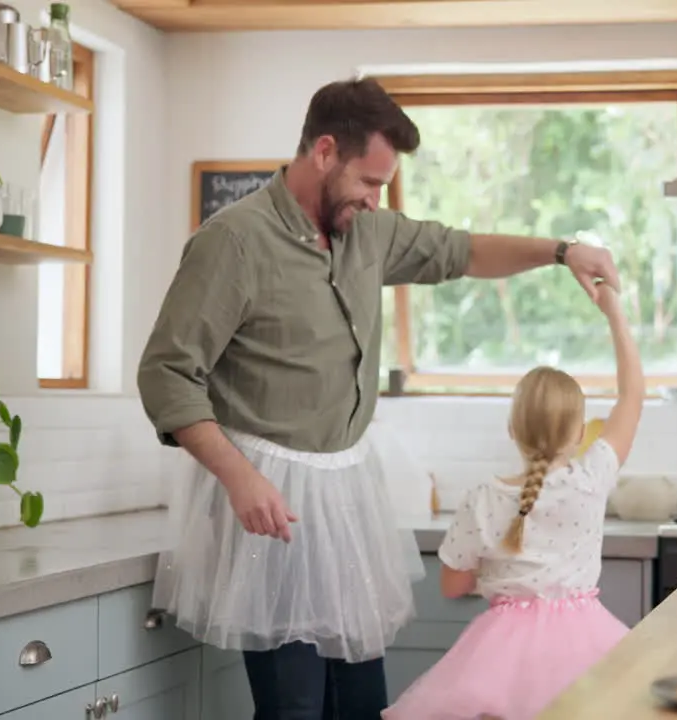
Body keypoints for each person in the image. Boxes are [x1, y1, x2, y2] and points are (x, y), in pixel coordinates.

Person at [136, 76, 622, 720]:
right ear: (325, 151)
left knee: (362, 704)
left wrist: (561, 252)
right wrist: (240, 478)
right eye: (368, 182)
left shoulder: (368, 232)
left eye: (384, 187)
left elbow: (463, 251)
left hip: (342, 496)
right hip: (268, 499)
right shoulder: (234, 242)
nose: (375, 199)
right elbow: (166, 373)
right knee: (295, 707)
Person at [382, 281, 644, 720]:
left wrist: (497, 571)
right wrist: (616, 315)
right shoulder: (591, 478)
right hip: (588, 644)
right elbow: (632, 396)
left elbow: (452, 585)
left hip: (498, 656)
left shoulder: (484, 498)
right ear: (581, 434)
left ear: (512, 430)